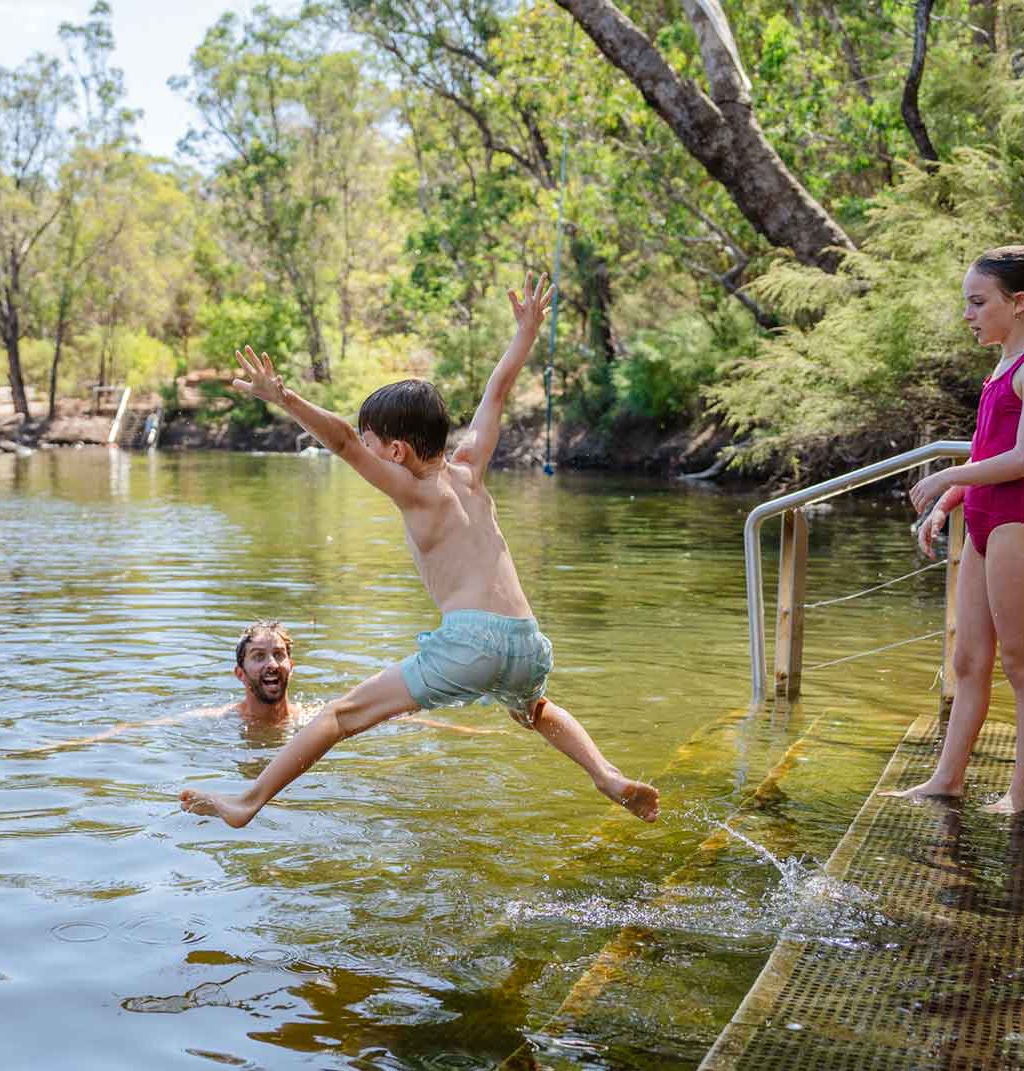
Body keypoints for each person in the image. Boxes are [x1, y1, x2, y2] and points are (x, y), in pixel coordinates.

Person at [178, 274, 660, 828]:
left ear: (398, 451)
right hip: (527, 642)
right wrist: (526, 331)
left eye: (373, 443)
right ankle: (605, 774)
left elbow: (336, 439)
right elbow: (498, 389)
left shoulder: (411, 489)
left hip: (470, 641)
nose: (367, 451)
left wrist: (283, 396)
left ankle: (248, 801)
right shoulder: (470, 467)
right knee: (533, 710)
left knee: (338, 715)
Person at [900, 245, 1024, 814]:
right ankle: (947, 779)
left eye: (978, 302)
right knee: (969, 660)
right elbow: (986, 450)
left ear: (1019, 302)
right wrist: (947, 502)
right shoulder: (1000, 364)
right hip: (981, 521)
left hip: (1018, 526)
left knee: (1020, 662)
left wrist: (948, 471)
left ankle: (1022, 795)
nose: (968, 315)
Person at [42, 619, 480, 750]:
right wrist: (68, 743)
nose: (271, 664)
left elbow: (396, 721)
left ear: (291, 667)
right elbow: (142, 730)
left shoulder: (314, 720)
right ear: (240, 674)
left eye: (278, 655)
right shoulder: (217, 722)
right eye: (258, 657)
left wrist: (473, 733)